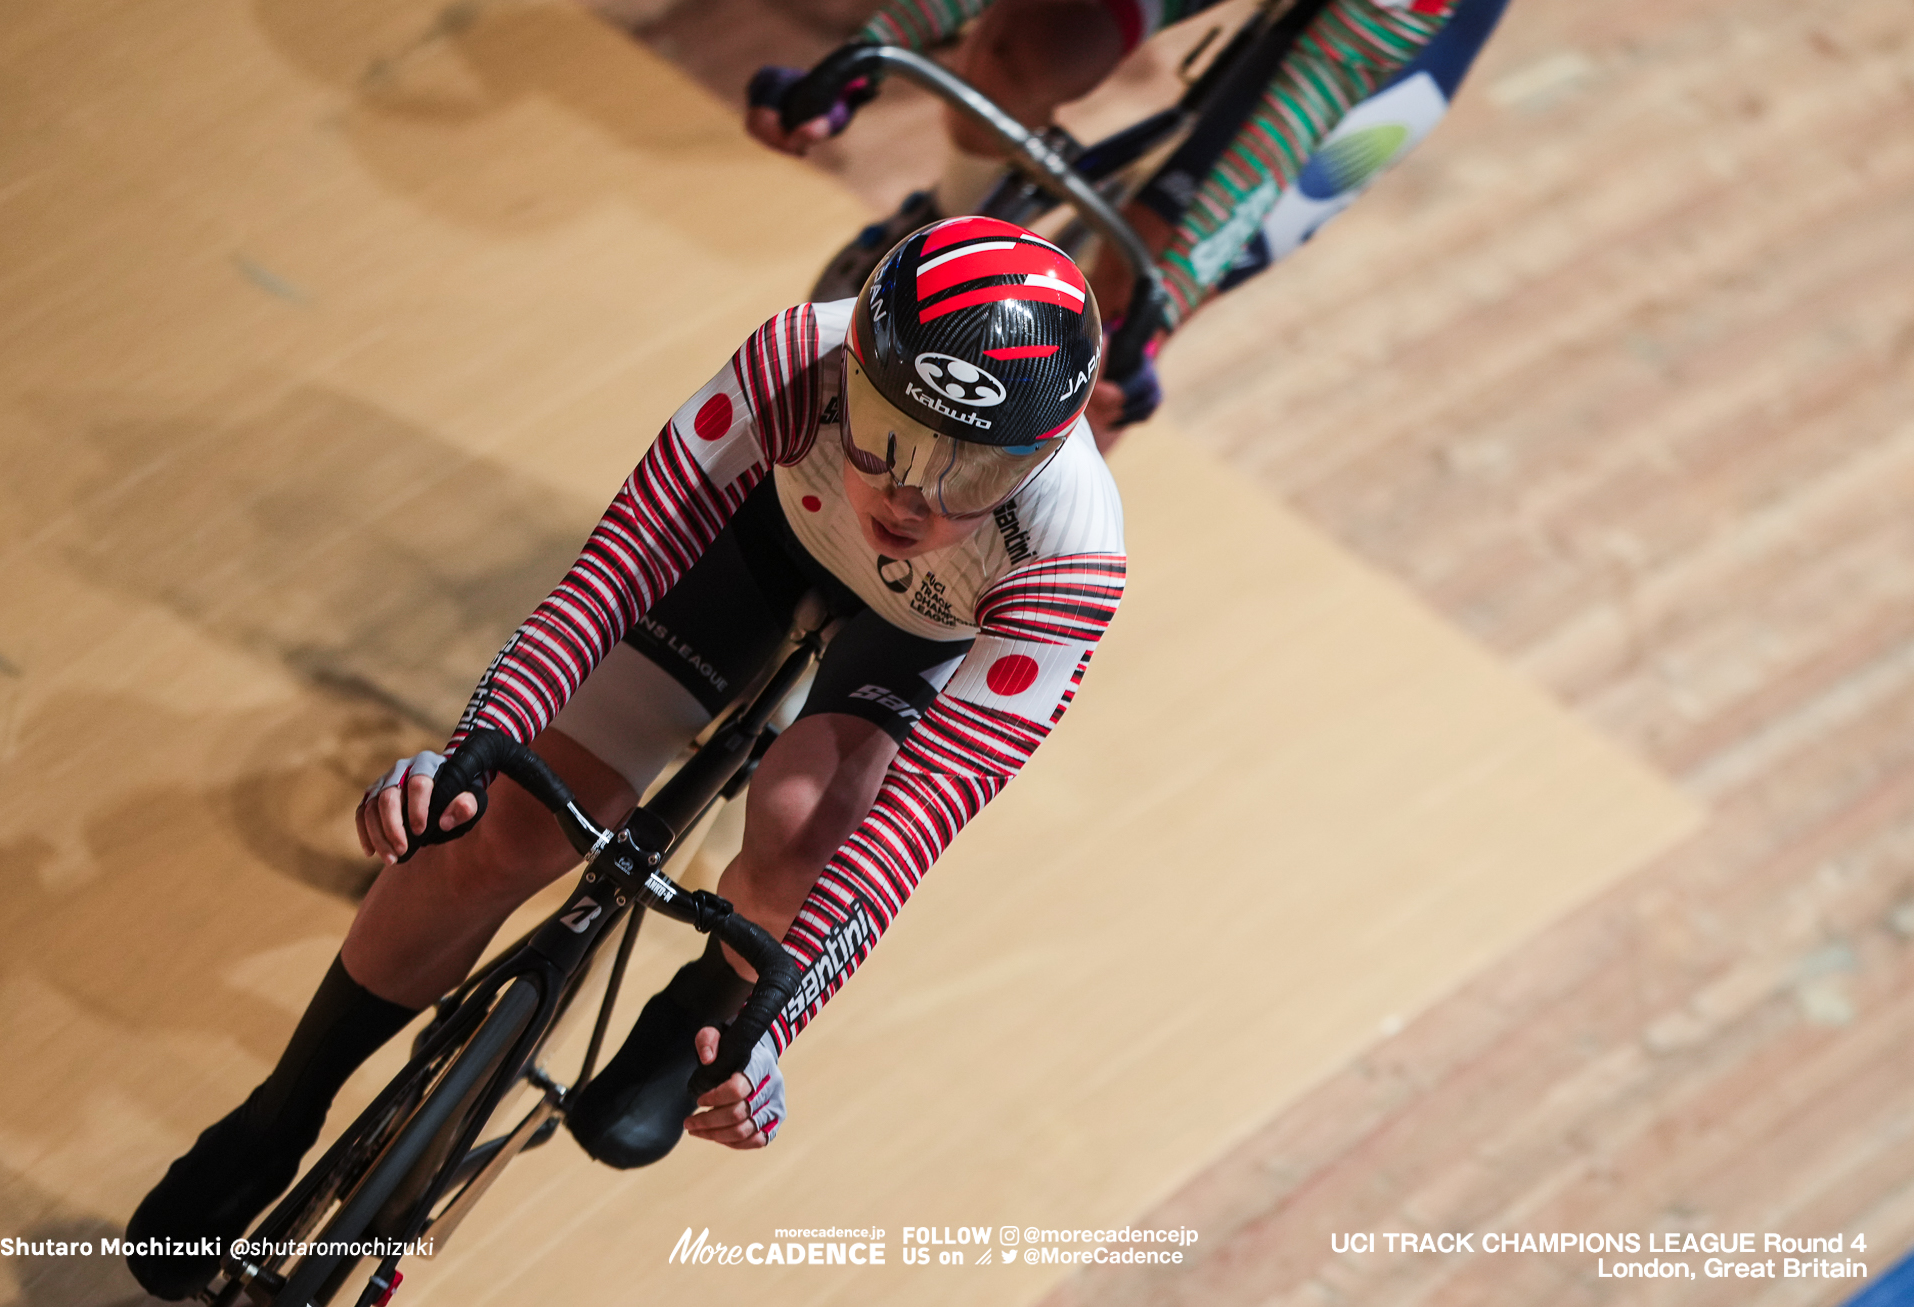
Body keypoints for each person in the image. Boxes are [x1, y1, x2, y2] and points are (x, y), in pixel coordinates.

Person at [124, 216, 1127, 1300]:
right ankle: (284, 1108)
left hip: (918, 636)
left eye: (969, 469)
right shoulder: (798, 356)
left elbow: (924, 808)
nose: (910, 494)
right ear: (852, 375)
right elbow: (612, 573)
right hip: (768, 535)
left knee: (805, 822)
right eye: (888, 435)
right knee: (505, 824)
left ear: (1044, 452)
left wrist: (768, 1021)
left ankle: (699, 1009)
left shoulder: (1071, 548)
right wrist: (475, 745)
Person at [748, 0, 1511, 446]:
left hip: (1383, 37)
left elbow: (1314, 90)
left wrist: (1155, 314)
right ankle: (951, 213)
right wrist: (871, 52)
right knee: (1020, 56)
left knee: (1114, 336)